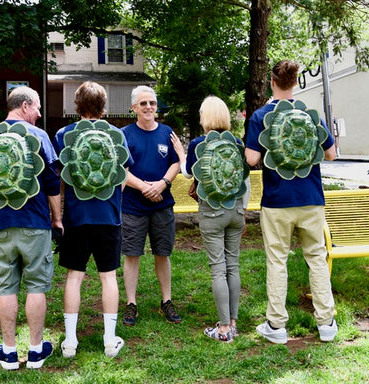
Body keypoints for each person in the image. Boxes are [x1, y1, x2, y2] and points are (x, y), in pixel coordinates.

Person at [245, 60, 338, 344]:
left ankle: (277, 325)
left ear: (272, 82)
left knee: (277, 261)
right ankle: (326, 324)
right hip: (311, 198)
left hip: (277, 201)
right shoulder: (310, 115)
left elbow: (250, 159)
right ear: (295, 83)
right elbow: (331, 154)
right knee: (317, 260)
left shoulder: (261, 115)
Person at [0, 86, 63, 370]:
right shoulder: (39, 137)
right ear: (25, 105)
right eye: (37, 108)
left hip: (2, 225)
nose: (39, 114)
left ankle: (9, 353)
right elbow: (52, 184)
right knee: (37, 286)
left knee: (6, 287)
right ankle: (37, 351)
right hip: (35, 223)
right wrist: (57, 218)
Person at [53, 81, 133, 358]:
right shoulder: (117, 135)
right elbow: (121, 177)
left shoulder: (64, 134)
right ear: (103, 104)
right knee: (108, 277)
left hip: (76, 217)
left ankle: (70, 342)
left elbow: (60, 179)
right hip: (108, 217)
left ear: (77, 104)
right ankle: (110, 341)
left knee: (74, 277)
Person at [171, 96, 250, 342]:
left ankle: (224, 329)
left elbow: (187, 173)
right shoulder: (236, 143)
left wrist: (181, 155)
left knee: (218, 269)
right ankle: (233, 322)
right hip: (236, 211)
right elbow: (244, 181)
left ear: (206, 117)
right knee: (232, 266)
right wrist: (243, 212)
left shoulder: (198, 144)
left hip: (212, 213)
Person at [121, 85, 181, 326]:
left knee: (162, 254)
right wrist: (146, 187)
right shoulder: (124, 134)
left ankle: (166, 300)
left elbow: (176, 163)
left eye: (152, 103)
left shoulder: (167, 133)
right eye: (143, 103)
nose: (148, 107)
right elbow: (121, 171)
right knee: (132, 255)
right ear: (134, 107)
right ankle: (131, 303)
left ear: (157, 107)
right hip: (133, 207)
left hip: (162, 206)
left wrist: (163, 184)